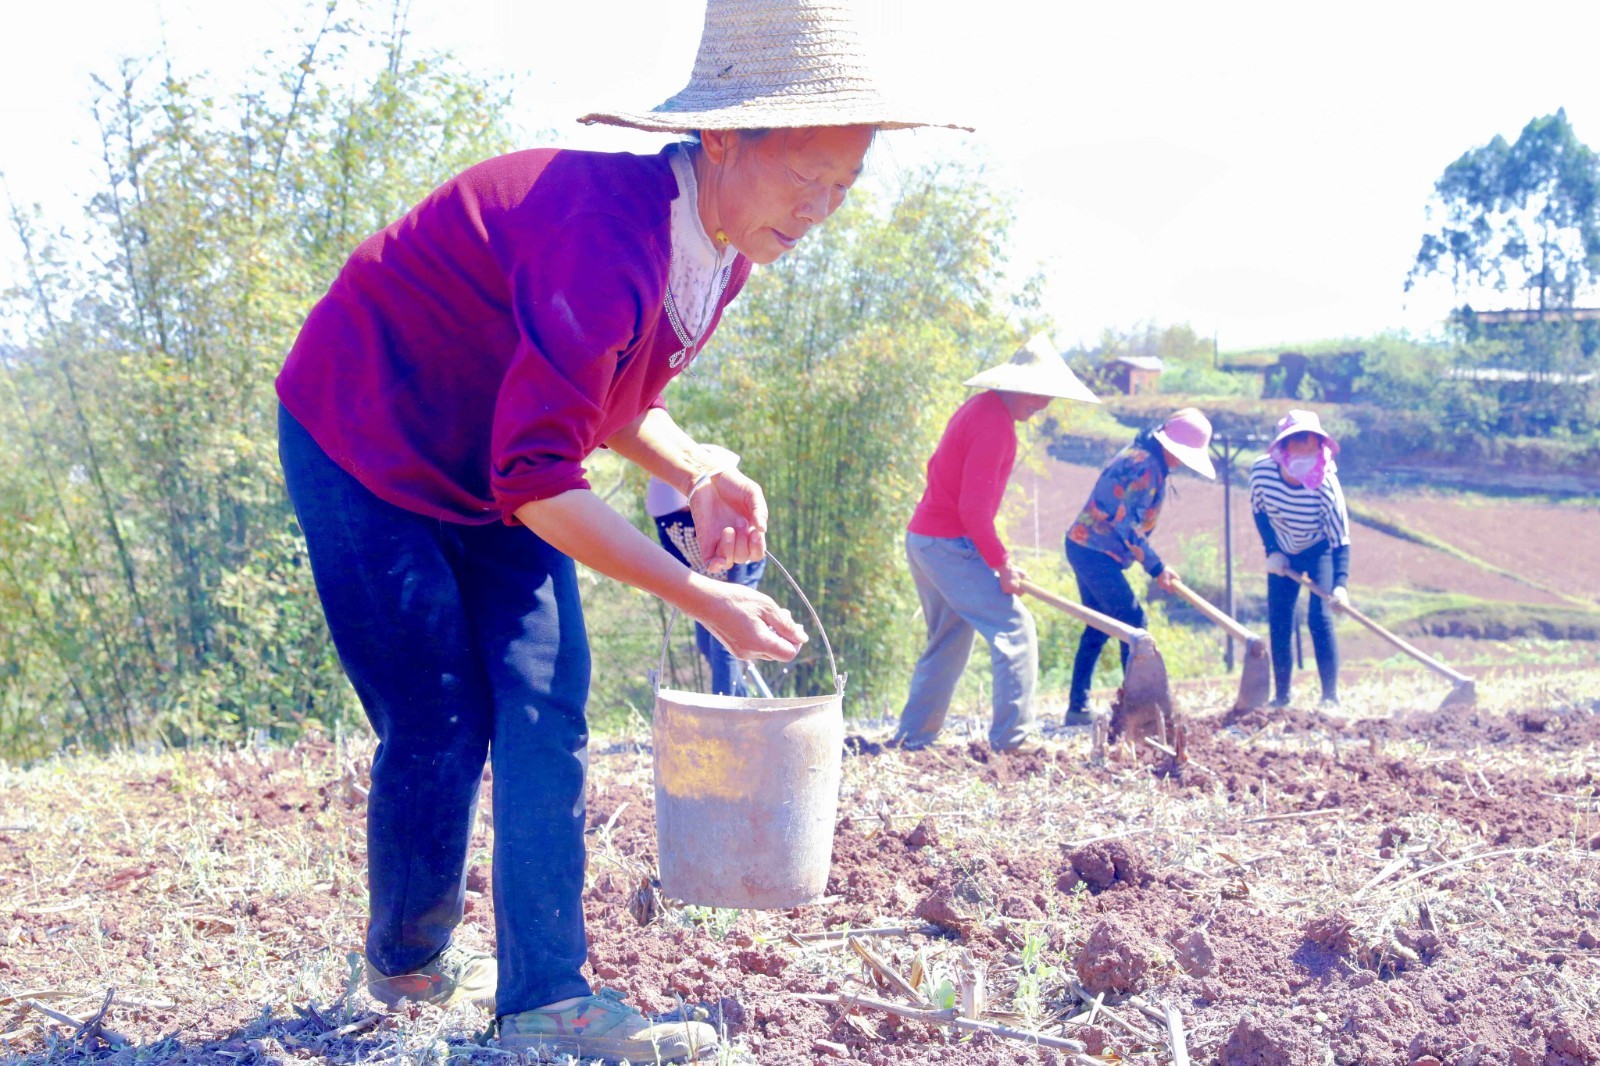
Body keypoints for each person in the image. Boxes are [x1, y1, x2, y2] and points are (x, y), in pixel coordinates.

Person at [274, 0, 963, 1059]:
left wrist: (700, 467)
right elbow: (542, 476)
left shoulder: (724, 244)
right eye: (805, 178)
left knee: (548, 702)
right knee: (442, 719)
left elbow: (601, 398)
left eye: (843, 187)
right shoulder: (607, 235)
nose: (821, 209)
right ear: (724, 139)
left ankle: (548, 997)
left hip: (495, 463)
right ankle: (409, 953)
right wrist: (698, 594)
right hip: (365, 439)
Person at [892, 334, 1100, 751]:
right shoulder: (995, 426)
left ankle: (914, 738)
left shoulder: (981, 410)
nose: (1043, 404)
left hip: (927, 540)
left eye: (1049, 396)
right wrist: (1001, 564)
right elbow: (973, 510)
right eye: (1038, 393)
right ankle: (1013, 740)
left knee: (949, 638)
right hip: (946, 542)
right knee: (1016, 628)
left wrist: (996, 561)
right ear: (1015, 383)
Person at [1063, 408, 1216, 725]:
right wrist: (1157, 567)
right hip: (1093, 550)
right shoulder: (1146, 467)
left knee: (1100, 624)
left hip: (1085, 546)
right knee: (1134, 623)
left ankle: (1078, 707)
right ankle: (1138, 709)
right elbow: (1126, 525)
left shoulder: (1143, 457)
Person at [1249, 409, 1351, 709]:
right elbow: (1260, 512)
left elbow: (1340, 539)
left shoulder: (1326, 485)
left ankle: (1330, 696)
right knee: (1280, 620)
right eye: (1299, 442)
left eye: (1312, 444)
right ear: (1284, 447)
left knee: (1319, 617)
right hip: (1282, 550)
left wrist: (1341, 585)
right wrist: (1273, 551)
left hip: (1319, 549)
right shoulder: (1262, 473)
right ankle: (1281, 697)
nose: (1306, 450)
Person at [647, 444, 768, 697]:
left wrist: (731, 604)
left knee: (722, 640)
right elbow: (672, 555)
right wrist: (688, 591)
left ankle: (724, 710)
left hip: (737, 572)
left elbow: (738, 568)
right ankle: (741, 701)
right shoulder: (666, 517)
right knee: (706, 643)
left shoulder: (723, 515)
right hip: (702, 576)